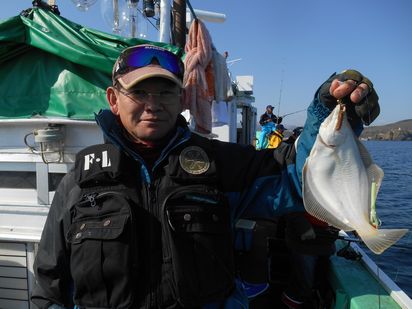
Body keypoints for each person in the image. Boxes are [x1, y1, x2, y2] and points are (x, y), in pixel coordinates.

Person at [30, 43, 380, 309]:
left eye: (165, 91)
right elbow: (49, 284)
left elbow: (295, 177)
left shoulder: (221, 165)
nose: (153, 103)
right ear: (113, 99)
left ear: (180, 97)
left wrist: (328, 111)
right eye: (138, 92)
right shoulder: (80, 181)